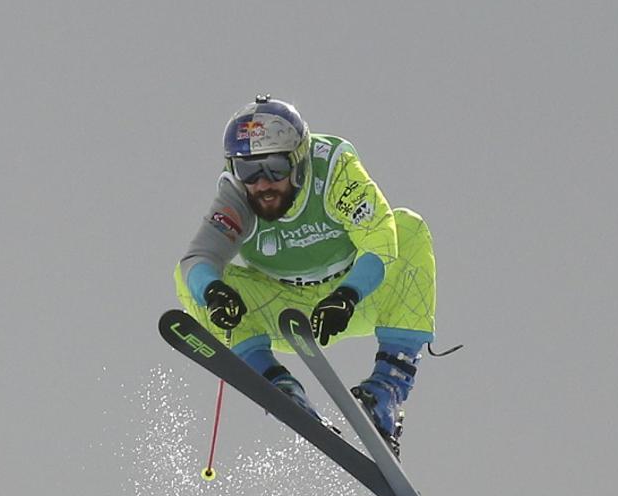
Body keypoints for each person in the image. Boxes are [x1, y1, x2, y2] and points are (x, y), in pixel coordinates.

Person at [175, 95, 440, 456]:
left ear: (298, 161)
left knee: (408, 228)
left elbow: (380, 237)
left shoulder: (333, 170)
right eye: (249, 170)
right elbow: (198, 258)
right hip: (284, 308)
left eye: (275, 168)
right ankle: (279, 387)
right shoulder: (237, 194)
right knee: (191, 280)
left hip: (355, 296)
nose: (263, 184)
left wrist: (347, 295)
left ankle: (386, 393)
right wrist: (214, 293)